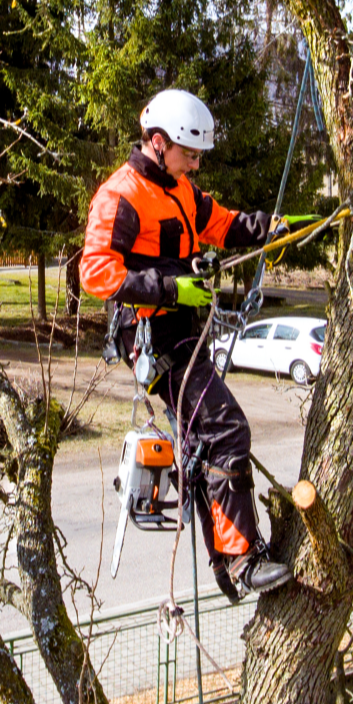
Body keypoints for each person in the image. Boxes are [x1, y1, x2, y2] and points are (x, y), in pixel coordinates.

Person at [81, 89, 312, 600]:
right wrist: (167, 288)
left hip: (186, 330)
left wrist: (267, 229)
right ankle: (240, 559)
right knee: (227, 429)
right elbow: (95, 271)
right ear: (158, 143)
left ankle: (226, 563)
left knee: (205, 442)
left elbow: (221, 224)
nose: (196, 163)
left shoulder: (181, 188)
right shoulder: (121, 195)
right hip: (154, 337)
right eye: (190, 153)